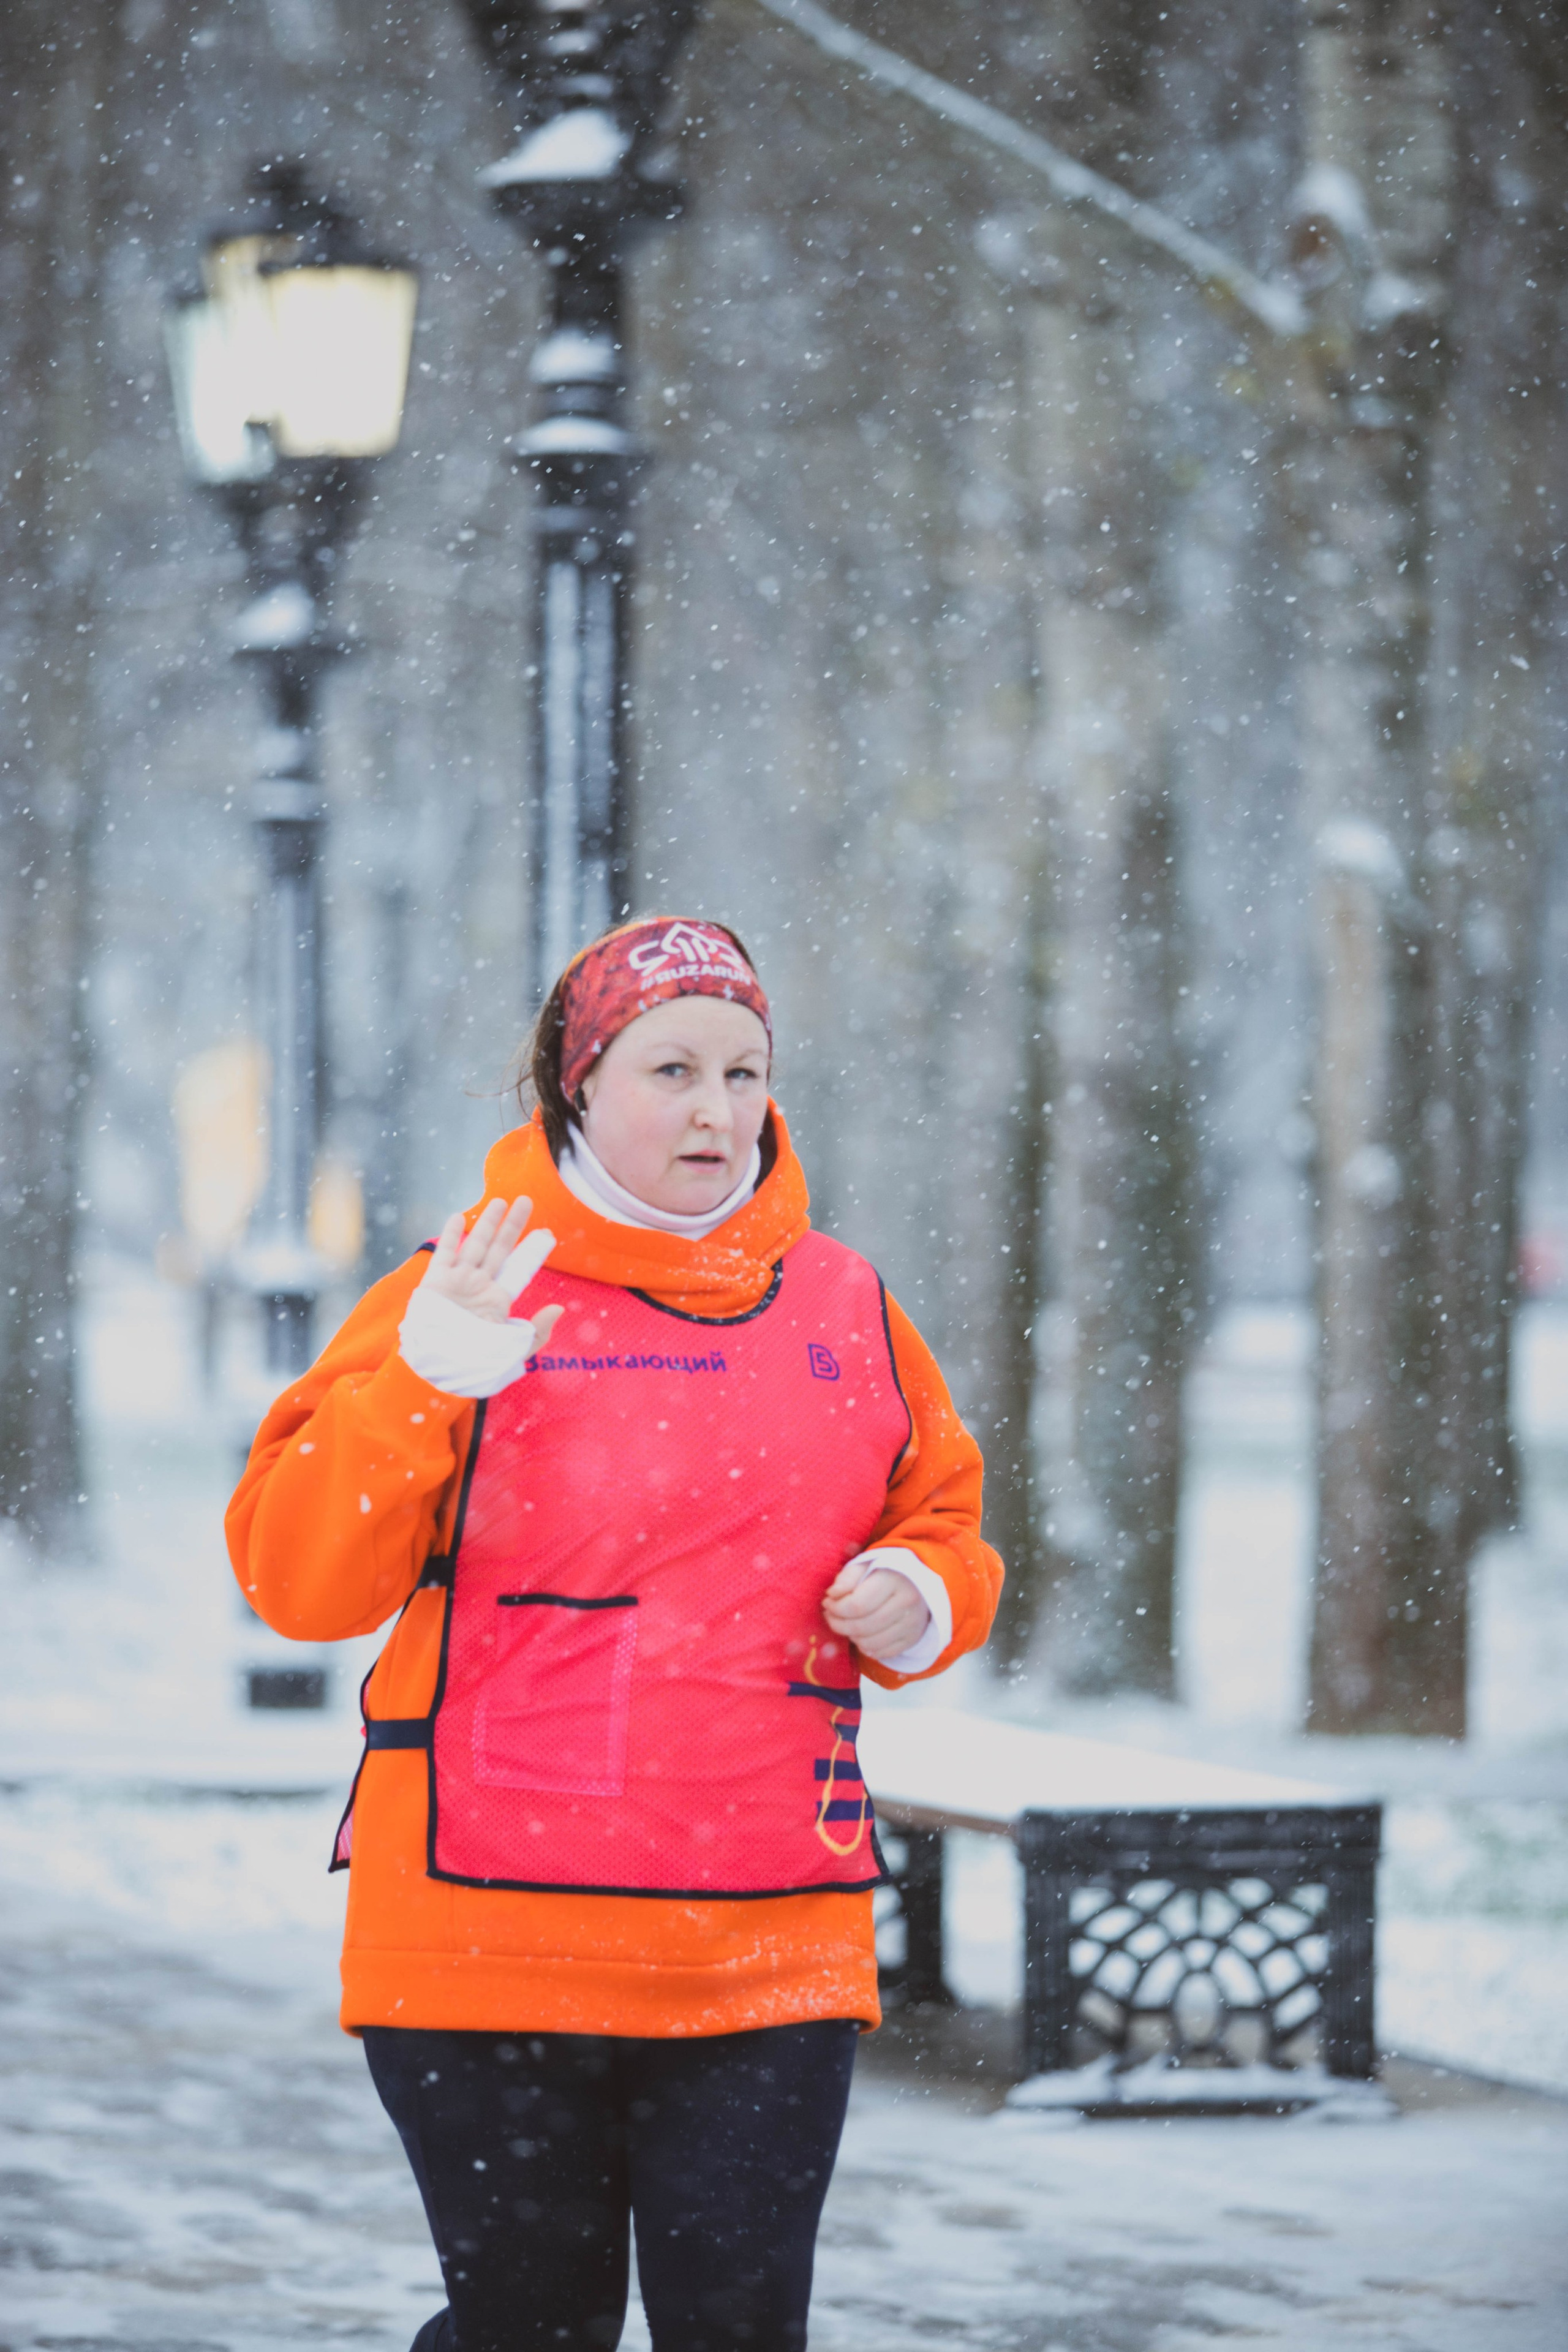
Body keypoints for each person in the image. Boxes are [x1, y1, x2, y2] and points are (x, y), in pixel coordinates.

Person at [227, 914, 1003, 2352]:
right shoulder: (450, 1292)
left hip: (770, 1941)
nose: (716, 1110)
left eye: (744, 1070)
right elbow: (298, 1581)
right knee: (529, 2331)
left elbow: (944, 1523)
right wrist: (423, 1380)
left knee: (741, 2329)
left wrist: (927, 1590)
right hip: (486, 1944)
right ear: (574, 1088)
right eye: (670, 1070)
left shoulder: (851, 1308)